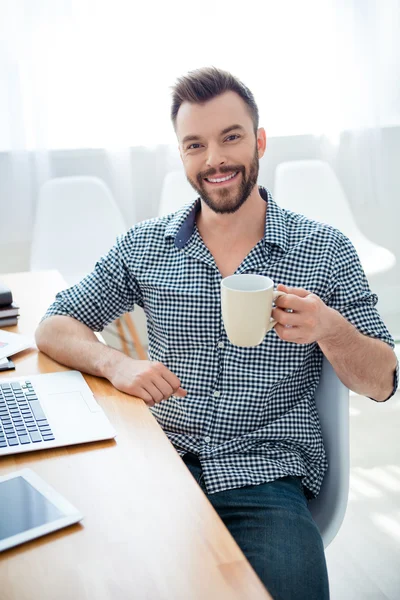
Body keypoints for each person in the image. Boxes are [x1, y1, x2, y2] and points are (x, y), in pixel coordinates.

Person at [35, 66, 398, 600]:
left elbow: (384, 379)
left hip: (265, 481)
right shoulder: (146, 247)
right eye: (195, 145)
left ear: (260, 141)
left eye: (231, 137)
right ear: (181, 157)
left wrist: (329, 328)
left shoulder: (324, 250)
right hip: (160, 469)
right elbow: (52, 326)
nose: (215, 160)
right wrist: (118, 362)